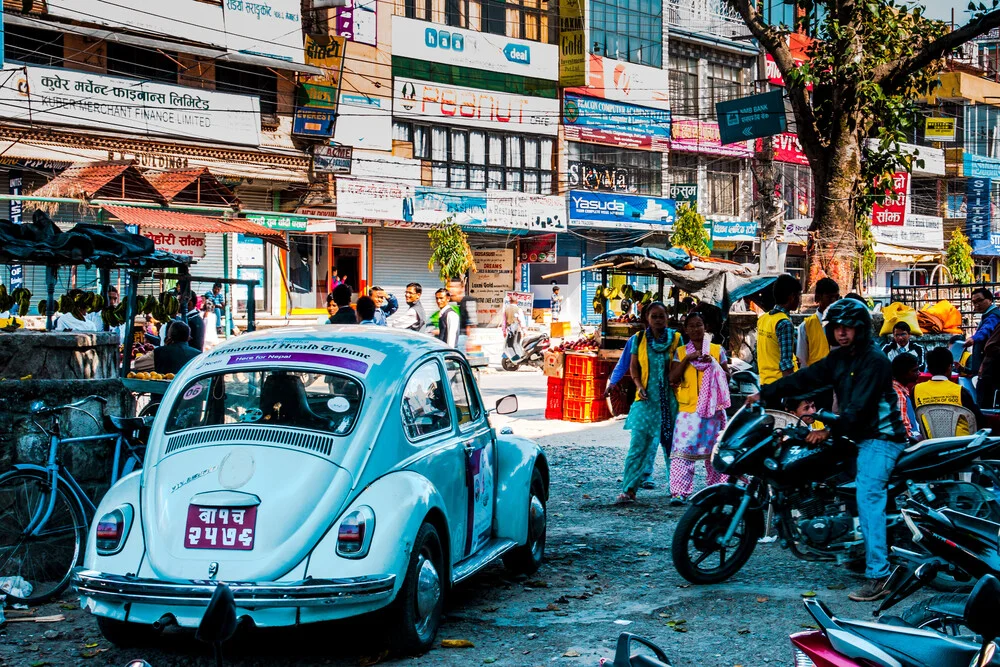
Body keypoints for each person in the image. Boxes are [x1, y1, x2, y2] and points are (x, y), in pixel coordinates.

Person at [747, 298, 907, 602]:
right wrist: (764, 394)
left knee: (867, 495)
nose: (842, 333)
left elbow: (859, 408)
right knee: (829, 482)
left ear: (860, 329)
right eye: (837, 328)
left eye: (849, 328)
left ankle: (880, 575)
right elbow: (805, 378)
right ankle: (853, 546)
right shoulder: (840, 359)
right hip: (856, 434)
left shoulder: (874, 360)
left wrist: (828, 430)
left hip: (881, 437)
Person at [616, 302, 682, 504]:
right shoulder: (639, 339)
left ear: (667, 317)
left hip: (669, 401)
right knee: (638, 446)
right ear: (647, 318)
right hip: (645, 400)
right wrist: (638, 385)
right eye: (654, 316)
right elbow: (633, 366)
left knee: (673, 447)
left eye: (662, 316)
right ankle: (629, 490)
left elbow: (679, 366)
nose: (658, 320)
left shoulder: (676, 339)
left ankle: (678, 490)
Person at [667, 312, 730, 503]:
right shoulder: (680, 352)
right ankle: (679, 492)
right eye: (692, 326)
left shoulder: (717, 350)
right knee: (682, 452)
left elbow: (727, 376)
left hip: (713, 410)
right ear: (685, 330)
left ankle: (717, 489)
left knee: (715, 452)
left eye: (699, 325)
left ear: (706, 327)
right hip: (688, 411)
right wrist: (688, 359)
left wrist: (713, 364)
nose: (696, 329)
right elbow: (672, 378)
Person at [914, 346, 984, 437]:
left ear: (929, 368)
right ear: (950, 367)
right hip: (962, 444)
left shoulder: (916, 390)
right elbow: (979, 419)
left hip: (932, 444)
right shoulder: (960, 391)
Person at [757, 274, 802, 385]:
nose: (800, 300)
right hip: (780, 385)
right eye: (799, 296)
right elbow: (786, 363)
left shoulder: (763, 319)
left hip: (765, 382)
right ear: (792, 296)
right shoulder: (784, 323)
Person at [796, 277, 840, 368]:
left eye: (836, 297)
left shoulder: (842, 323)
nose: (834, 301)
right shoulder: (805, 327)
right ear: (818, 297)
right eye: (830, 297)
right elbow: (803, 361)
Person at [964, 287, 1000, 376]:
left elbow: (986, 329)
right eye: (974, 302)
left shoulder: (994, 315)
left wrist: (974, 338)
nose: (977, 305)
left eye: (980, 301)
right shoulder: (988, 314)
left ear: (990, 300)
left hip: (990, 365)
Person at [890, 353, 922, 442]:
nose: (919, 373)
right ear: (903, 373)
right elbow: (903, 429)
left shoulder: (898, 389)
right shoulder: (898, 394)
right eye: (915, 370)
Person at [447, 277, 477, 349]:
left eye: (455, 287)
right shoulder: (447, 301)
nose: (452, 289)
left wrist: (470, 340)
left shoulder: (469, 301)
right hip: (447, 337)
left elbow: (471, 323)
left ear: (461, 288)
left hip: (461, 338)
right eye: (450, 287)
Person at [503, 296, 526, 360]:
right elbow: (521, 320)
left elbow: (504, 321)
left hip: (509, 331)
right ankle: (520, 357)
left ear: (510, 301)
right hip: (517, 330)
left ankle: (517, 358)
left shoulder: (506, 309)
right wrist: (524, 331)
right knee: (517, 344)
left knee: (509, 345)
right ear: (517, 302)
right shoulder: (518, 309)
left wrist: (504, 331)